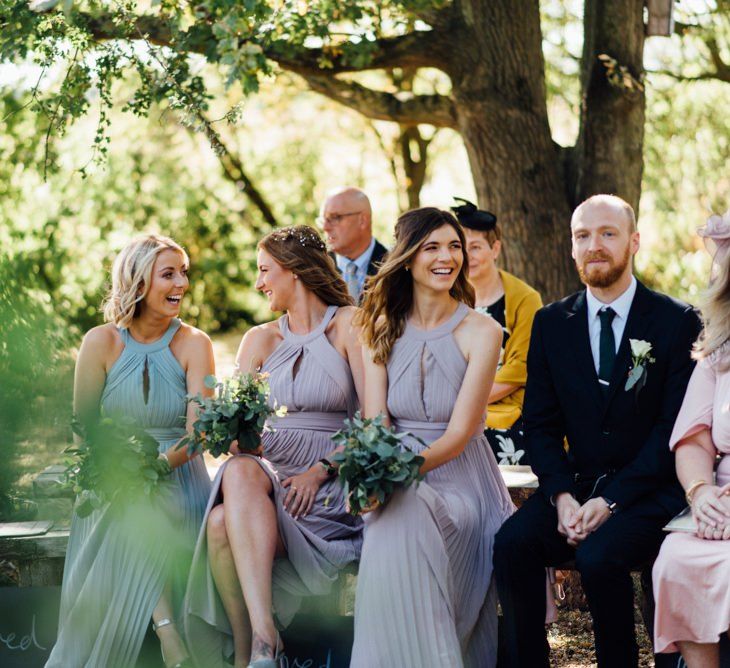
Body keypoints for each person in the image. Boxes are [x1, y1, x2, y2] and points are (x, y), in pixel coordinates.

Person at [493, 194, 702, 668]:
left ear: (634, 241)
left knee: (599, 557)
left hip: (652, 493)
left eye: (607, 234)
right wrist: (562, 496)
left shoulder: (675, 320)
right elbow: (539, 426)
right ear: (571, 248)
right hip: (577, 490)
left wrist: (612, 501)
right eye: (582, 236)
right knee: (512, 544)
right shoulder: (551, 323)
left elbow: (674, 429)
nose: (594, 246)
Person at [183, 226, 364, 668]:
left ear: (295, 271)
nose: (259, 282)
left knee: (223, 524)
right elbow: (238, 431)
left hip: (327, 486)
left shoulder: (349, 325)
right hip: (269, 485)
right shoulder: (258, 340)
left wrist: (319, 470)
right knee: (242, 467)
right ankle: (265, 639)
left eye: (265, 270)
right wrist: (233, 433)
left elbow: (374, 421)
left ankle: (251, 653)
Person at [350, 207, 514, 667]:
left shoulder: (482, 330)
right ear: (407, 257)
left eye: (455, 246)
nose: (448, 257)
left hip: (462, 480)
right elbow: (376, 422)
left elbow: (462, 432)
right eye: (433, 247)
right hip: (397, 473)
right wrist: (372, 477)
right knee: (397, 509)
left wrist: (396, 476)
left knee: (404, 504)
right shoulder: (378, 327)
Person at [46, 234, 214, 668]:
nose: (182, 283)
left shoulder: (196, 344)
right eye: (169, 274)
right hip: (113, 477)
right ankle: (168, 631)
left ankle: (166, 631)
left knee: (145, 501)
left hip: (177, 473)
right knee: (127, 499)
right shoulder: (99, 342)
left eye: (184, 273)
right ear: (138, 282)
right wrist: (108, 472)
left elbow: (199, 436)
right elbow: (84, 427)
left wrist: (154, 467)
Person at [652, 211, 730, 668]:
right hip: (717, 505)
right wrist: (701, 495)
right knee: (677, 561)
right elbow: (694, 438)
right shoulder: (720, 347)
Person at [452, 198, 542, 465]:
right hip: (450, 411)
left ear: (495, 248)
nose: (467, 256)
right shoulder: (446, 299)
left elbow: (522, 368)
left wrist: (463, 402)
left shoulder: (525, 299)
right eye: (460, 248)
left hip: (506, 412)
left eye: (476, 247)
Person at [318, 186, 387, 302]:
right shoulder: (315, 270)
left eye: (335, 217)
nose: (325, 227)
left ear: (363, 220)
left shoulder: (395, 268)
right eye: (323, 220)